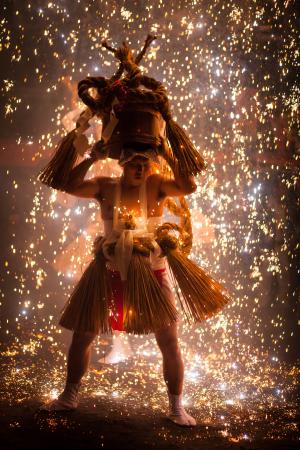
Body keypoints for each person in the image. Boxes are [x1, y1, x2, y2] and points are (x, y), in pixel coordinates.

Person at [39, 144, 198, 427]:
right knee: (83, 334)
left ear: (151, 165)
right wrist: (92, 157)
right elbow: (65, 183)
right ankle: (69, 395)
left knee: (170, 341)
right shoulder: (105, 186)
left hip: (151, 272)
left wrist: (167, 154)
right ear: (122, 164)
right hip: (107, 270)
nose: (140, 168)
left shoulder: (158, 185)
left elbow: (189, 185)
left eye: (144, 164)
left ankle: (176, 406)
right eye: (134, 163)